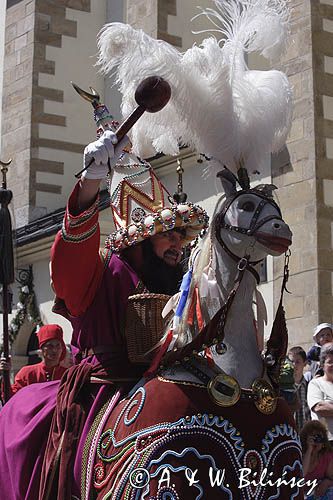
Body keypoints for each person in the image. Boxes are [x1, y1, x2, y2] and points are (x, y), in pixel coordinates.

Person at [0, 130, 208, 500]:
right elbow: (68, 263)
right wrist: (89, 184)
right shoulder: (104, 270)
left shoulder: (181, 281)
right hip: (102, 391)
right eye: (168, 235)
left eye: (180, 235)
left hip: (169, 385)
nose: (178, 244)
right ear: (142, 239)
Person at [0, 324, 68, 396]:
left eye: (58, 345)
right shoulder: (27, 373)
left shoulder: (68, 374)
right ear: (41, 349)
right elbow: (12, 397)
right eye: (49, 346)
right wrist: (4, 375)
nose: (54, 350)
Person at [301, 420, 333, 499]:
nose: (316, 441)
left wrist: (327, 482)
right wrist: (309, 450)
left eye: (319, 437)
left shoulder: (327, 456)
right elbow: (301, 475)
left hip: (317, 494)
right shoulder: (298, 454)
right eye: (313, 437)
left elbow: (331, 478)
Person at [308, 343, 333, 442]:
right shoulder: (315, 384)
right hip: (325, 443)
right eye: (330, 362)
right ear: (322, 365)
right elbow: (319, 408)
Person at [288, 346, 311, 432]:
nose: (294, 365)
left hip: (307, 433)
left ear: (304, 363)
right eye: (291, 362)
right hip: (290, 433)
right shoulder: (284, 387)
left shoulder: (310, 386)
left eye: (297, 362)